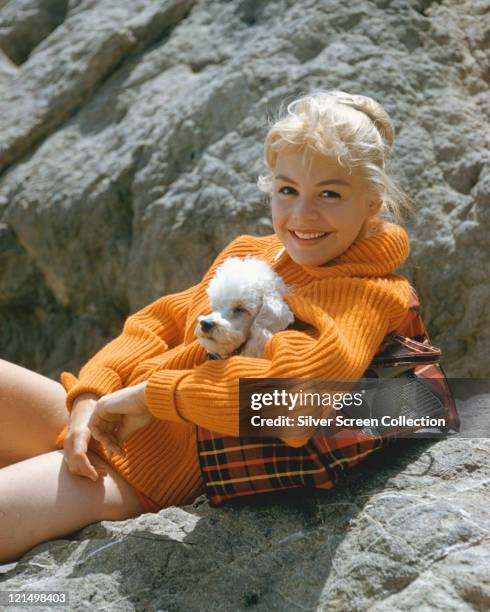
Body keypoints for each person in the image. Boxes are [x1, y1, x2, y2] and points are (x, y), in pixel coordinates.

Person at [0, 90, 416, 563]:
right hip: (112, 418)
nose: (302, 216)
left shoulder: (365, 293)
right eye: (287, 190)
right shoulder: (253, 252)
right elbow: (157, 322)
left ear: (372, 201)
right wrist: (91, 394)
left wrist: (152, 397)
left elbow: (294, 401)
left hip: (144, 473)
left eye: (330, 194)